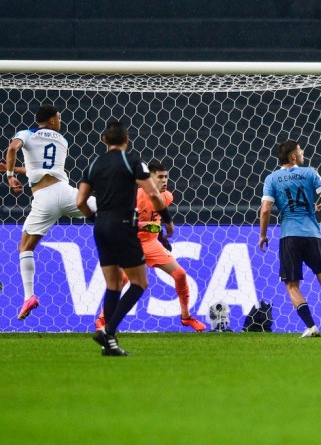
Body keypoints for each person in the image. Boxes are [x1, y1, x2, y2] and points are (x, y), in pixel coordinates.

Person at [77, 120, 174, 356]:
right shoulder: (132, 162)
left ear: (104, 140)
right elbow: (153, 193)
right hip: (123, 226)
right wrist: (167, 220)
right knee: (139, 283)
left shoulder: (94, 165)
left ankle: (109, 342)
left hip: (101, 227)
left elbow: (80, 202)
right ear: (127, 139)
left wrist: (93, 219)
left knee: (113, 285)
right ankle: (108, 330)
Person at [4, 104, 97, 321]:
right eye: (60, 118)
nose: (61, 121)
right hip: (65, 193)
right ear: (53, 121)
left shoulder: (26, 134)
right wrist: (19, 170)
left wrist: (9, 174)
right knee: (105, 208)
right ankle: (137, 219)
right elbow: (42, 166)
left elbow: (12, 150)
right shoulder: (62, 141)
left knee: (25, 247)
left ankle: (29, 296)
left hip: (44, 199)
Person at [94, 160, 206, 332]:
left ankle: (186, 317)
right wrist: (144, 226)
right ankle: (103, 320)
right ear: (150, 178)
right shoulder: (135, 197)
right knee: (122, 280)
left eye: (166, 177)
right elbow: (121, 222)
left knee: (180, 275)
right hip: (133, 245)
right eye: (160, 177)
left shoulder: (167, 197)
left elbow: (156, 221)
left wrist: (161, 238)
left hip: (151, 244)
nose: (164, 181)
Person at [258, 140, 321, 338]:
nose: (303, 154)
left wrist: (263, 235)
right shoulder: (309, 173)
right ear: (293, 156)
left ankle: (311, 326)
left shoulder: (272, 178)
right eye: (300, 151)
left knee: (291, 285)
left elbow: (265, 210)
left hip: (289, 236)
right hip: (312, 234)